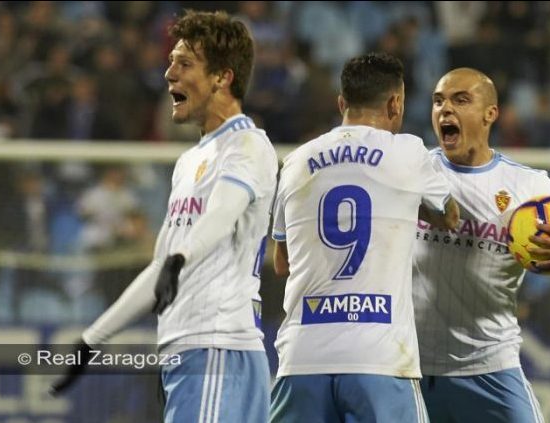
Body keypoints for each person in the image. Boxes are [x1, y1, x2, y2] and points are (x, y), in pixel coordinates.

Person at [50, 10, 278, 423]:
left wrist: (181, 256)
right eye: (171, 61)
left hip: (217, 350)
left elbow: (222, 215)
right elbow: (161, 265)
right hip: (189, 353)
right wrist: (91, 339)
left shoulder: (247, 144)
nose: (169, 73)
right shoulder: (189, 161)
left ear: (222, 77)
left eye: (185, 63)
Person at [269, 52, 459, 423]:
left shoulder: (296, 161)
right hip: (379, 357)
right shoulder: (407, 151)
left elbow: (281, 262)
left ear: (342, 103)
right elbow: (450, 216)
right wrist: (406, 207)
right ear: (395, 103)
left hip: (302, 358)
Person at [412, 67, 550, 423]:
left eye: (461, 100)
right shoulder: (412, 172)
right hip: (411, 367)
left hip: (490, 366)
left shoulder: (530, 188)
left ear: (491, 114)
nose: (445, 110)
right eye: (438, 101)